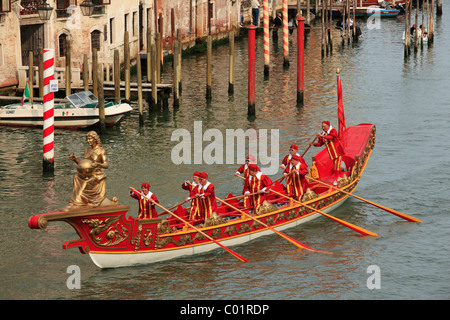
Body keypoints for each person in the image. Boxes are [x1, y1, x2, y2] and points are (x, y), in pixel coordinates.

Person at [67, 131, 109, 208]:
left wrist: (98, 164)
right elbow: (84, 164)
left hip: (96, 174)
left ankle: (78, 201)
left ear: (95, 139)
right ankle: (75, 200)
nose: (88, 141)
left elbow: (106, 165)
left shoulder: (101, 150)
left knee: (86, 182)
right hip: (86, 173)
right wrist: (75, 160)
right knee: (76, 177)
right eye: (87, 139)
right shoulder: (87, 150)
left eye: (90, 139)